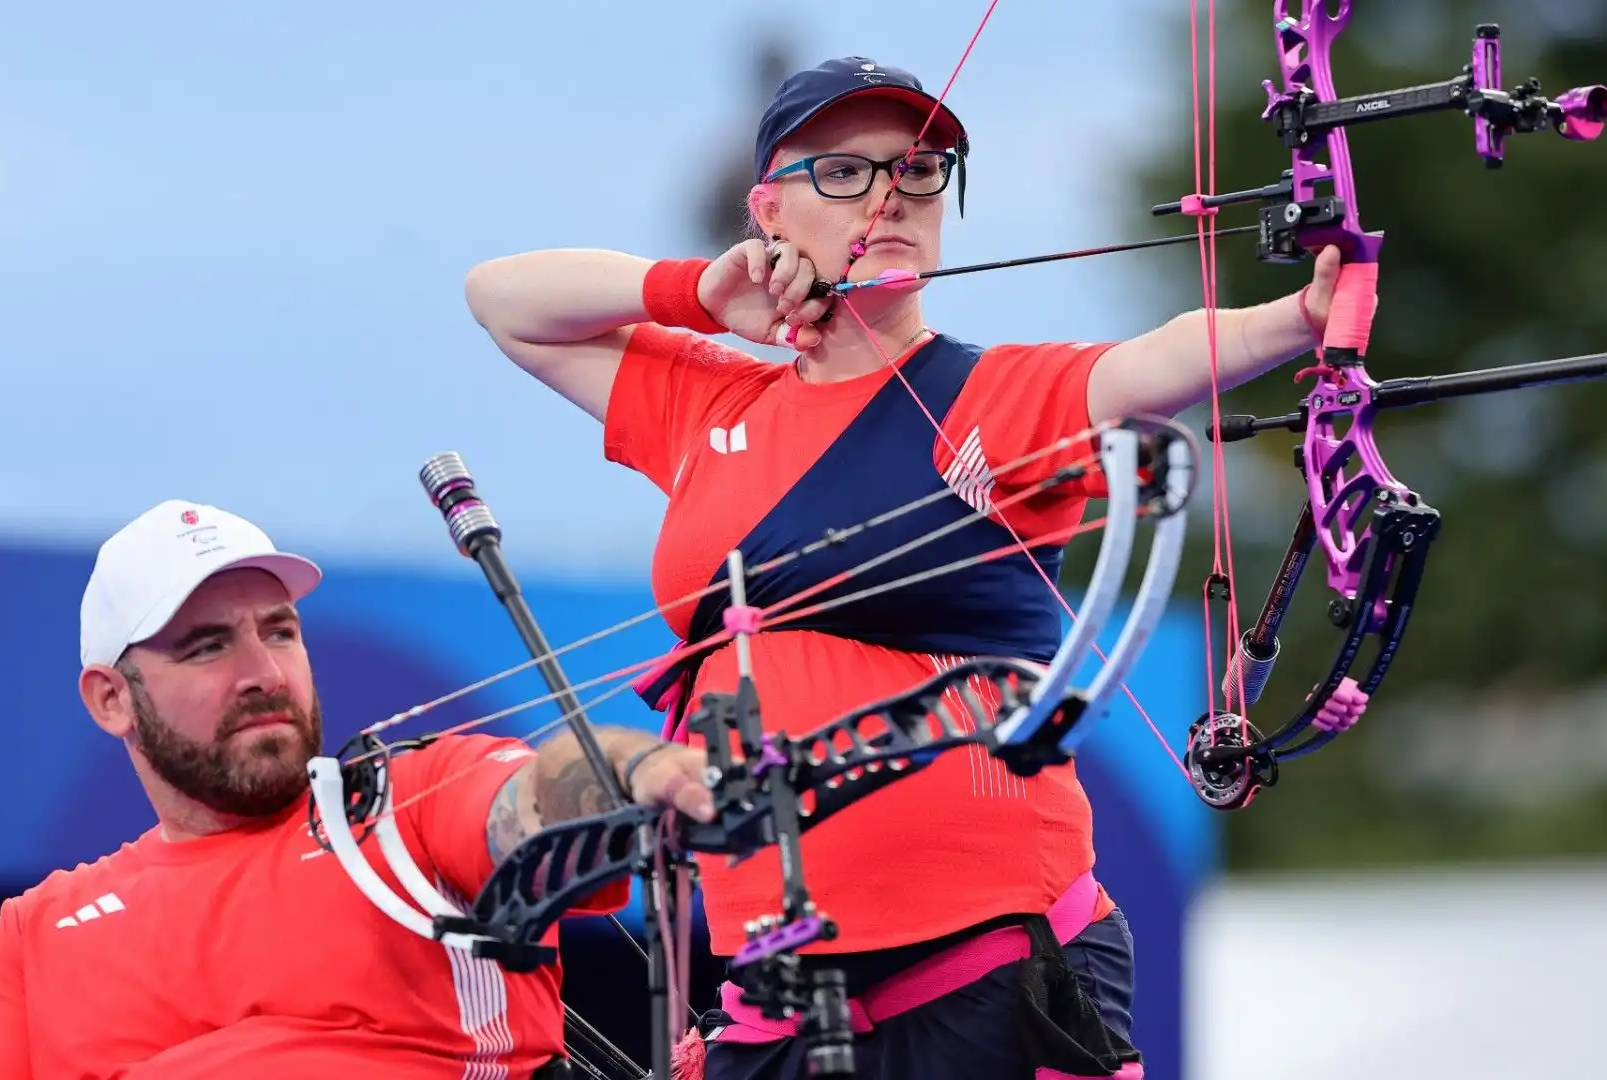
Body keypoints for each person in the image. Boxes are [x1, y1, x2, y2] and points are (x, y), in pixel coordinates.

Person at [464, 56, 1342, 1079]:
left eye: (920, 170)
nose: (888, 196)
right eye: (843, 171)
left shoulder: (993, 400)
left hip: (989, 977)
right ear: (768, 209)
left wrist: (1302, 319)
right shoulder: (714, 408)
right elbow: (502, 299)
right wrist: (699, 292)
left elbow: (1149, 364)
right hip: (776, 992)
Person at [0, 498, 716, 1080]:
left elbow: (540, 804)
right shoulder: (37, 935)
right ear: (111, 699)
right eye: (207, 648)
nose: (264, 675)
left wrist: (630, 771)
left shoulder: (404, 803)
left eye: (279, 631)